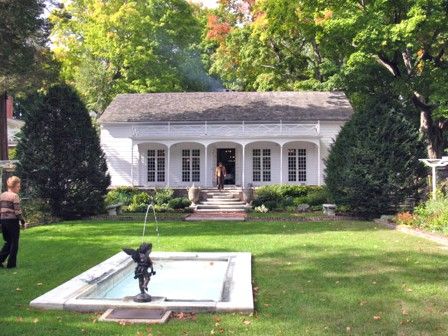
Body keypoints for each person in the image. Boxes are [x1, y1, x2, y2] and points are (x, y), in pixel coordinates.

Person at [0, 176, 27, 269]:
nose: (19, 188)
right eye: (18, 186)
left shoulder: (2, 195)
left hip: (3, 221)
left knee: (8, 242)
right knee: (14, 243)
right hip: (12, 221)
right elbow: (18, 212)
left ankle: (0, 260)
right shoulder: (15, 196)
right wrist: (23, 222)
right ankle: (11, 265)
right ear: (13, 187)